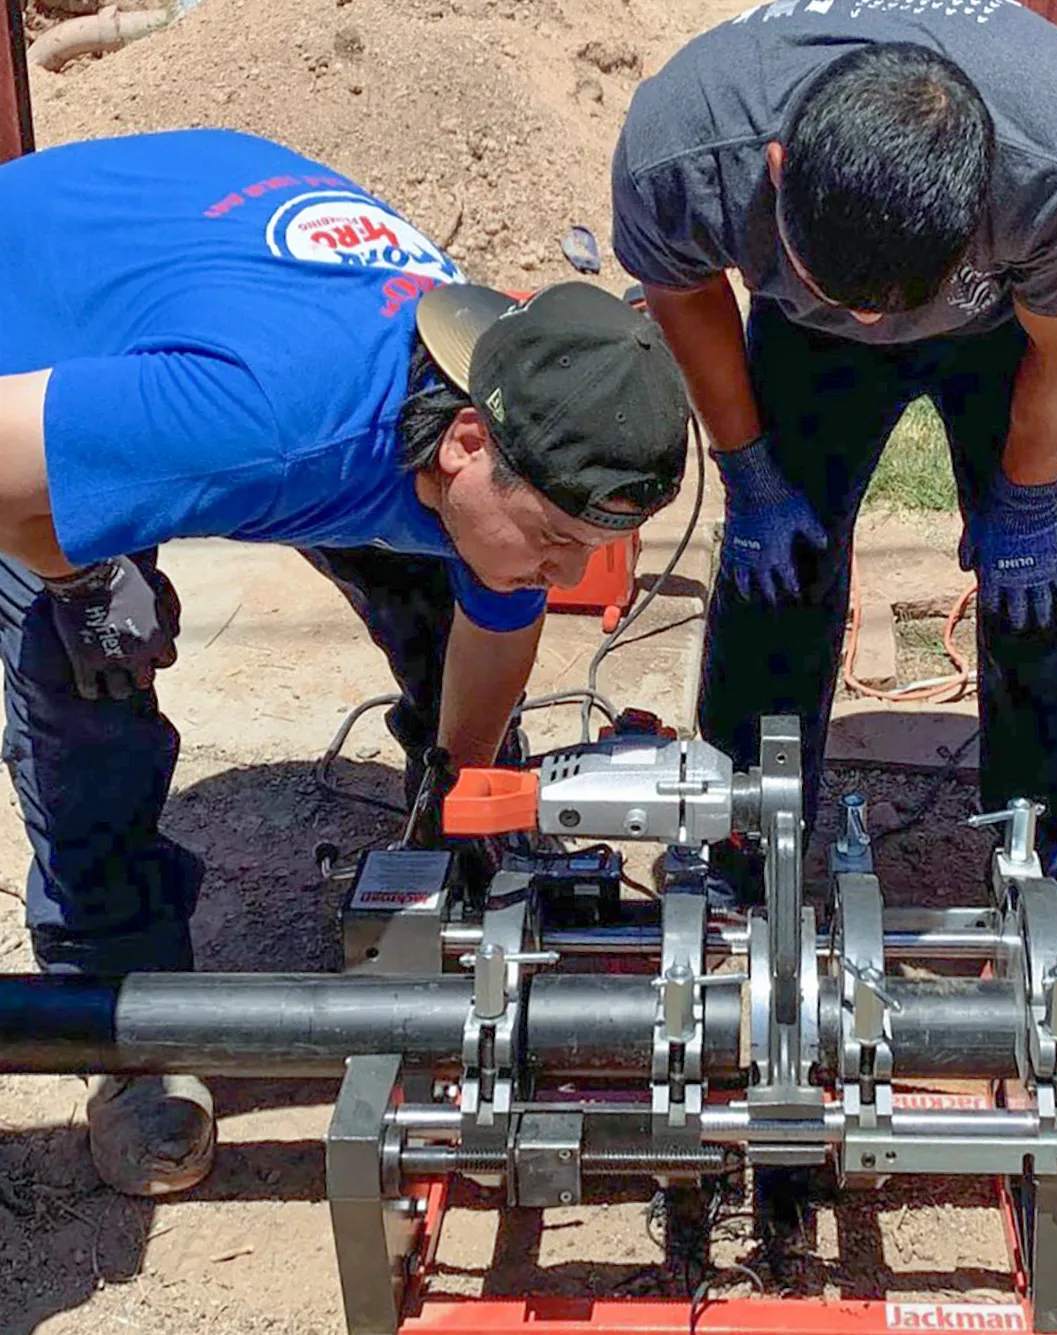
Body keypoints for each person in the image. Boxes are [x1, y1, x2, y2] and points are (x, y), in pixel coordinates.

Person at [0, 127, 690, 1195]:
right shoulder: (261, 421)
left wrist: (460, 793)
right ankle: (117, 1021)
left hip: (201, 263)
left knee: (445, 591)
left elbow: (499, 611)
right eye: (559, 542)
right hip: (40, 325)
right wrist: (75, 580)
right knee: (84, 685)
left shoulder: (516, 387)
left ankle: (457, 866)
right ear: (464, 443)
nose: (564, 574)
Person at [611, 0, 1057, 958]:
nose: (873, 325)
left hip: (1006, 330)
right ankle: (744, 862)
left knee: (1038, 586)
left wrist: (1026, 505)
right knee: (776, 577)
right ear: (776, 175)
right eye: (846, 298)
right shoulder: (687, 148)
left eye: (887, 308)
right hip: (799, 337)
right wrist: (749, 471)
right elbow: (683, 294)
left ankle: (1053, 890)